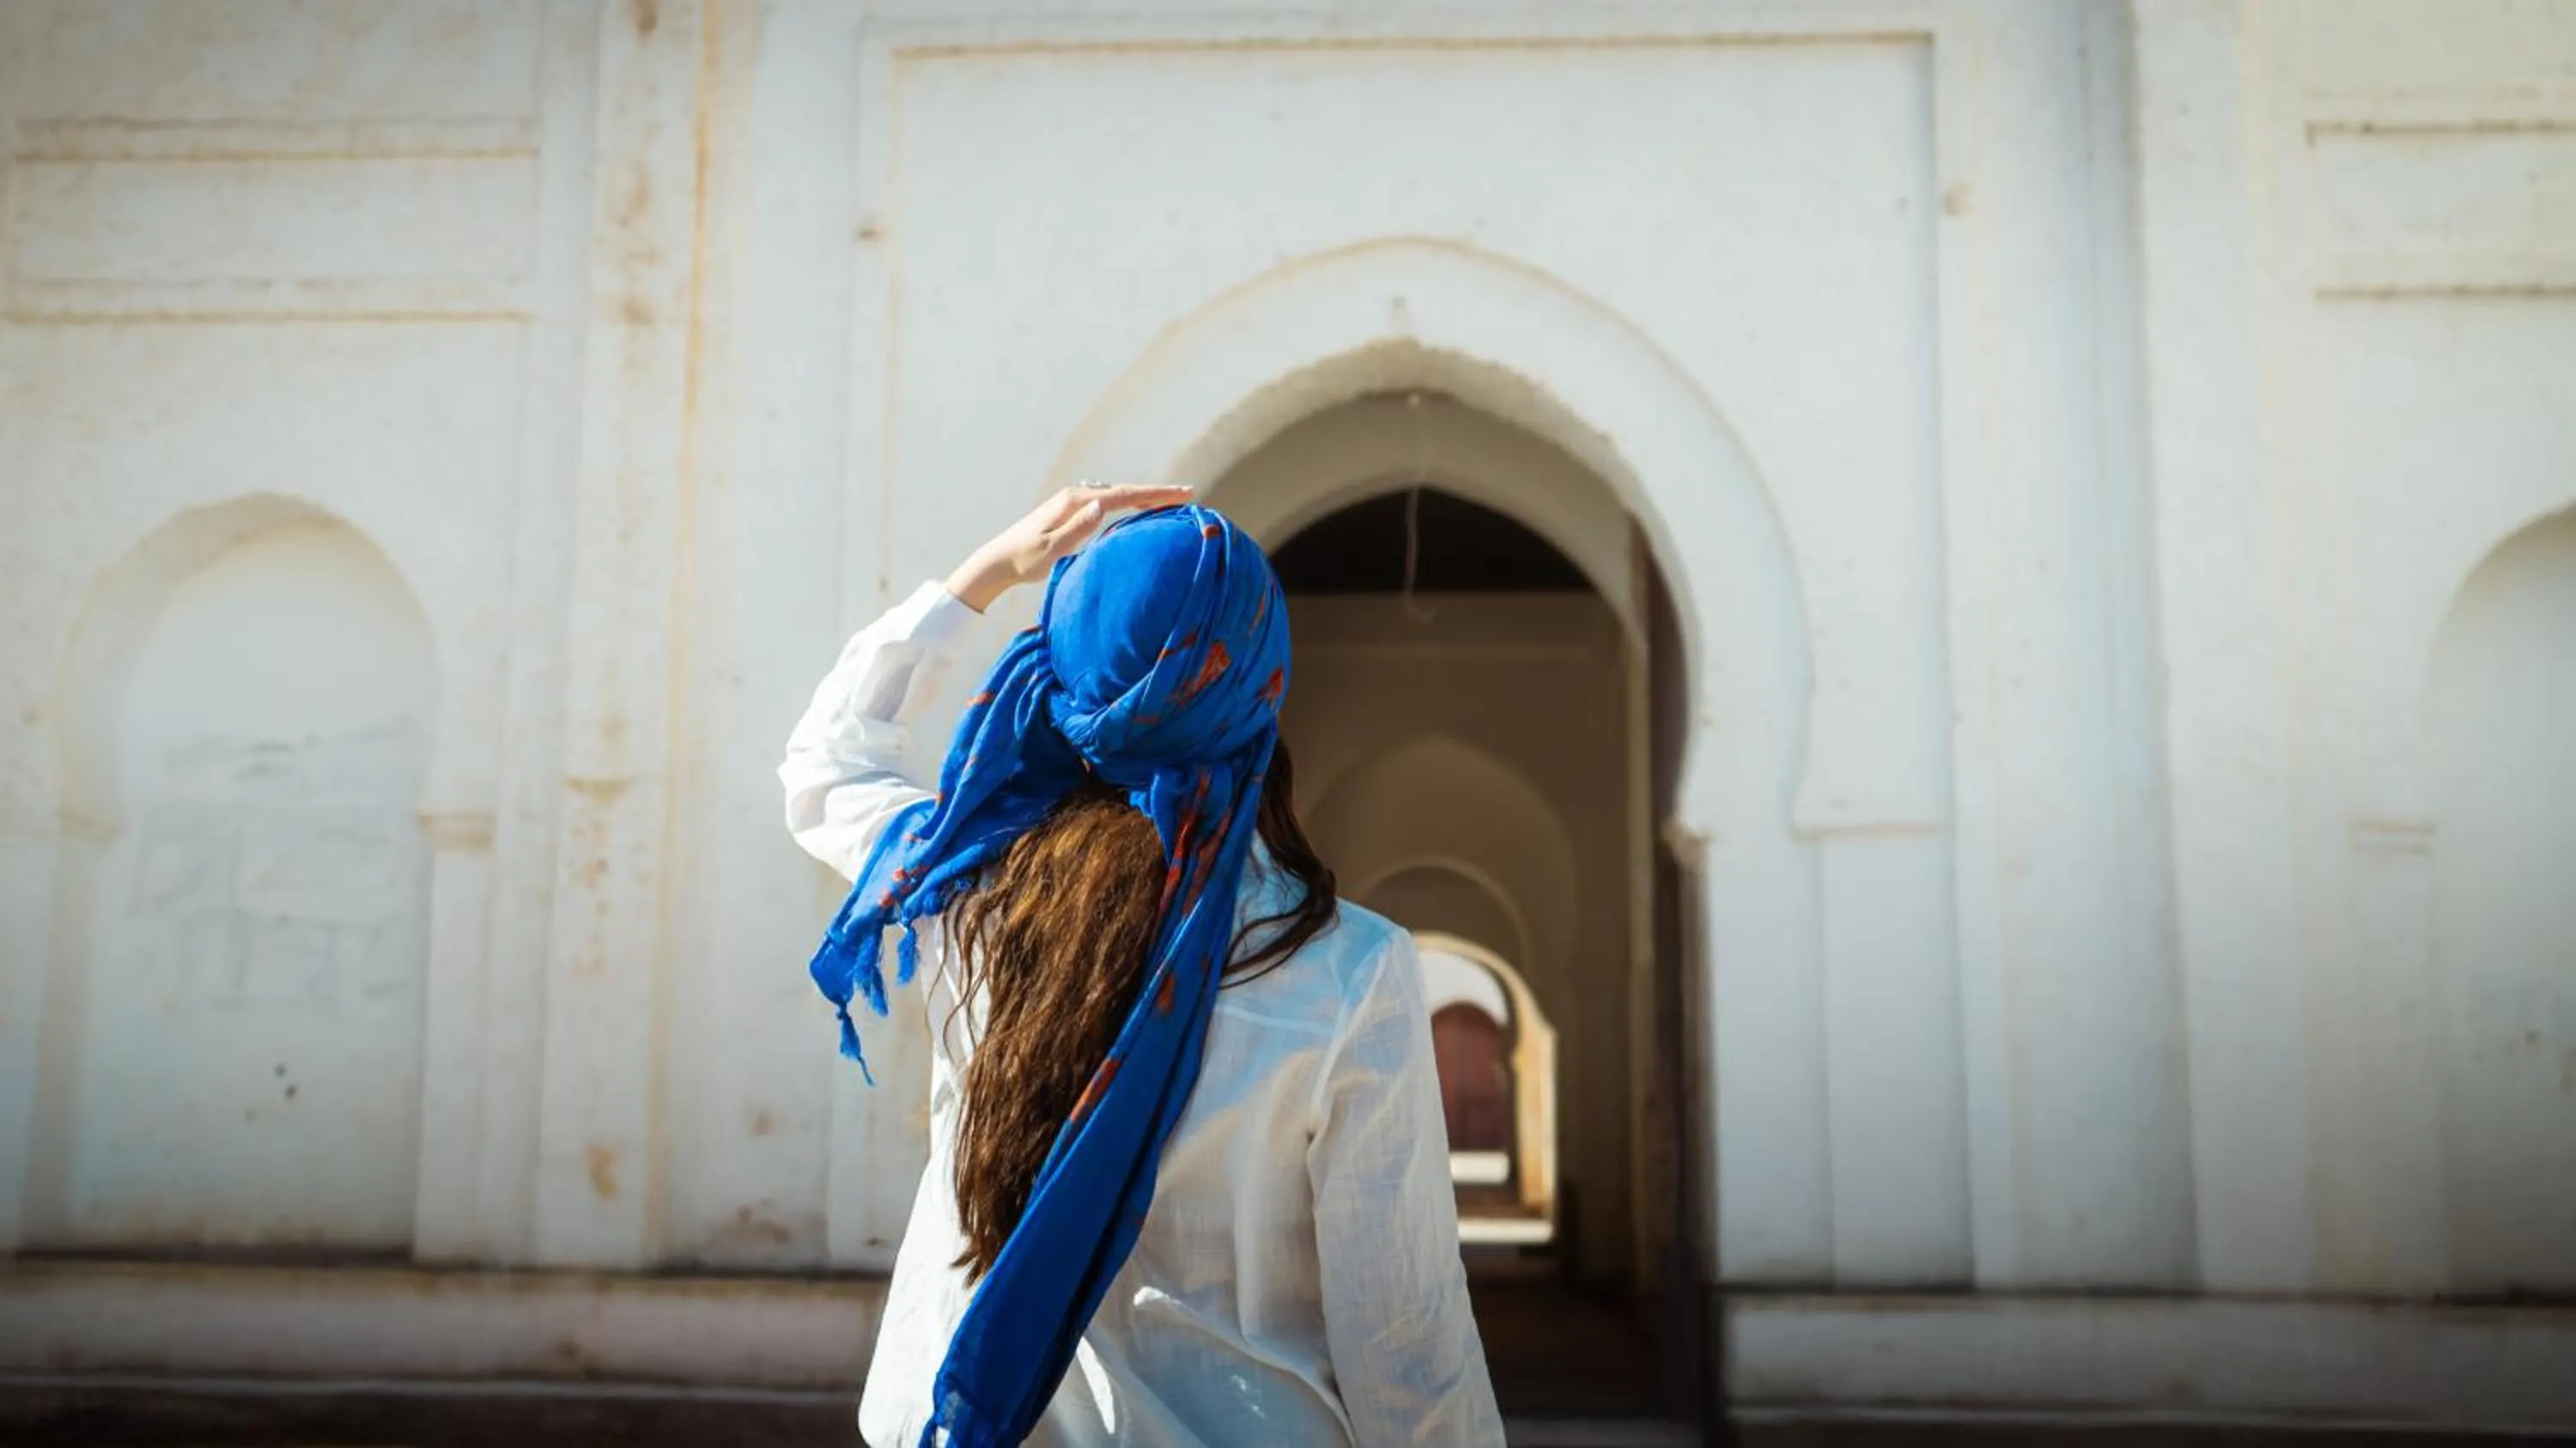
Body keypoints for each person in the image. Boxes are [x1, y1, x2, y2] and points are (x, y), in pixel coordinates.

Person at [780, 484, 1504, 1448]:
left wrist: (988, 572)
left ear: (1061, 683)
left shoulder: (974, 897)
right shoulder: (1349, 969)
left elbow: (828, 762)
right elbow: (1403, 1328)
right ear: (1262, 692)